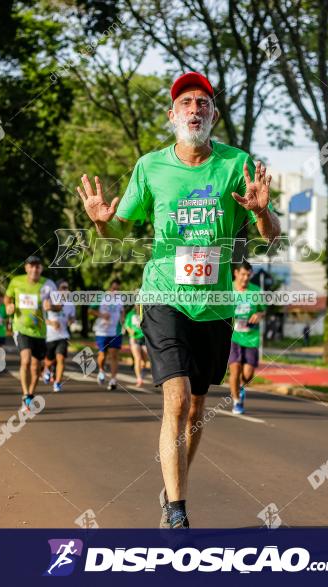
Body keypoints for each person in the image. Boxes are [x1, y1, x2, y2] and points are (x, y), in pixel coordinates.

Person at [76, 71, 280, 528]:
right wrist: (101, 222)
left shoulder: (236, 164)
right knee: (177, 397)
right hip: (164, 295)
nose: (195, 110)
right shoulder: (150, 167)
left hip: (216, 304)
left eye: (203, 103)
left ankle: (171, 488)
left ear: (214, 114)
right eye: (186, 103)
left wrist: (262, 210)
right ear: (172, 116)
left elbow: (272, 238)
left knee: (198, 407)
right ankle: (178, 512)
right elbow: (118, 229)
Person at [5, 256, 57, 411]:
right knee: (25, 360)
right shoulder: (16, 281)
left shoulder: (48, 285)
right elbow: (8, 298)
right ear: (26, 268)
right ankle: (25, 394)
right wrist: (9, 306)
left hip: (40, 331)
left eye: (38, 266)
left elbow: (59, 305)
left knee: (36, 367)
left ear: (41, 269)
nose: (34, 269)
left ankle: (30, 395)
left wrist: (52, 307)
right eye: (31, 266)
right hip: (21, 328)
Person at [228, 261, 265, 415]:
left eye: (248, 275)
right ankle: (236, 401)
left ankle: (241, 388)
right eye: (243, 274)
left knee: (248, 375)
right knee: (235, 369)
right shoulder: (227, 289)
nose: (245, 278)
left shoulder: (256, 291)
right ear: (236, 273)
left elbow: (262, 311)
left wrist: (258, 314)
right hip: (233, 336)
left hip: (251, 337)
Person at [88, 279, 124, 390]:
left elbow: (122, 311)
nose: (115, 291)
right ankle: (101, 370)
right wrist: (102, 315)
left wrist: (123, 322)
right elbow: (90, 310)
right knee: (102, 354)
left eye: (118, 289)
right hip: (102, 331)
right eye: (114, 288)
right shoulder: (101, 297)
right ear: (109, 288)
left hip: (116, 331)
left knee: (114, 355)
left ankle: (113, 379)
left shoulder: (120, 299)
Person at [44, 280, 75, 392]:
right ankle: (47, 368)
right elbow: (41, 318)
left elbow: (72, 317)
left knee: (61, 359)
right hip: (49, 336)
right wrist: (52, 323)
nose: (65, 290)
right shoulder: (48, 301)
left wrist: (71, 320)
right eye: (63, 287)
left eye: (67, 288)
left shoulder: (70, 303)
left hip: (63, 336)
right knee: (49, 360)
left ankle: (57, 383)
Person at [124, 305, 149, 387]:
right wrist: (130, 331)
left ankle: (143, 370)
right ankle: (139, 378)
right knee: (137, 358)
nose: (138, 306)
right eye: (137, 304)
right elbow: (127, 325)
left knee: (145, 360)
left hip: (144, 339)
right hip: (134, 339)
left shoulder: (145, 312)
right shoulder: (131, 314)